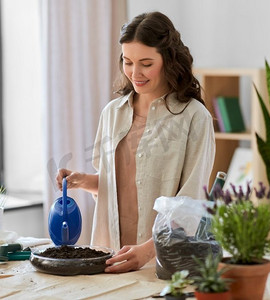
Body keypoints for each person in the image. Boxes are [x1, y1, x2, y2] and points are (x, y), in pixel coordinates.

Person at [56, 11, 215, 273]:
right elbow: (115, 186)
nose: (135, 73)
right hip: (107, 256)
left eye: (146, 63)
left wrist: (147, 251)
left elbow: (191, 204)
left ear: (168, 59)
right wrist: (82, 180)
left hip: (162, 263)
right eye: (127, 62)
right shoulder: (112, 113)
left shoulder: (194, 117)